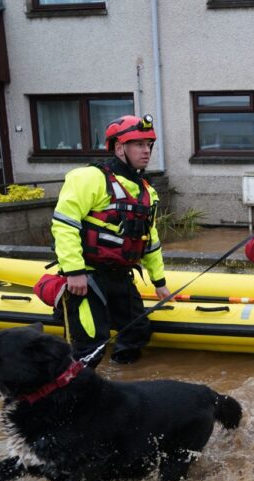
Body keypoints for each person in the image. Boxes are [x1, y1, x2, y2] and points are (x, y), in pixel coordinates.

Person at [51, 114, 170, 367]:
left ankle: (123, 384)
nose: (146, 150)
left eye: (149, 144)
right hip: (87, 277)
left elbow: (150, 240)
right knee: (90, 344)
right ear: (119, 148)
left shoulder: (147, 192)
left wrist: (159, 281)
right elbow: (64, 225)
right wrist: (74, 272)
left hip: (121, 276)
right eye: (138, 144)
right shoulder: (89, 178)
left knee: (137, 332)